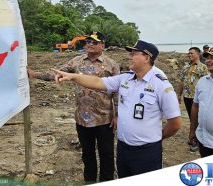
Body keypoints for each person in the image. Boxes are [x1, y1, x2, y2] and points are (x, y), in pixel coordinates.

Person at [51, 40, 182, 178]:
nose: (129, 56)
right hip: (123, 148)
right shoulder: (125, 78)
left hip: (146, 151)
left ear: (147, 58)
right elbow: (97, 82)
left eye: (134, 53)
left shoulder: (161, 85)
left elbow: (175, 123)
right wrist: (72, 76)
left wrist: (158, 137)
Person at [28, 31, 119, 182]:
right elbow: (56, 74)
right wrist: (34, 74)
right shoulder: (76, 61)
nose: (89, 44)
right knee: (87, 154)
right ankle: (88, 181)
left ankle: (106, 182)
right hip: (82, 118)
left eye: (94, 42)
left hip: (104, 119)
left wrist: (117, 115)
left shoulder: (111, 64)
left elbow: (117, 91)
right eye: (88, 41)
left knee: (107, 155)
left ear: (102, 45)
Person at [178, 47, 208, 151]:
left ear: (198, 54)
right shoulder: (185, 67)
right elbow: (181, 81)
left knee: (198, 119)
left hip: (199, 98)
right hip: (187, 96)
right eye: (188, 53)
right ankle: (194, 137)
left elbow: (208, 83)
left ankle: (198, 142)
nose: (189, 55)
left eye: (192, 53)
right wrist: (179, 95)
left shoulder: (204, 67)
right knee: (192, 119)